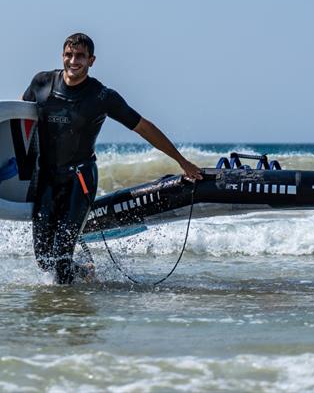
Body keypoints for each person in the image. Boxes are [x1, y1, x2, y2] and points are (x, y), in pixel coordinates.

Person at [22, 32, 202, 284]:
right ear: (62, 56)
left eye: (80, 56)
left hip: (79, 180)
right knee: (43, 260)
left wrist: (181, 161)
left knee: (62, 257)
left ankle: (66, 317)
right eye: (69, 55)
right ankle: (84, 273)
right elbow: (19, 121)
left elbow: (143, 127)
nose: (74, 61)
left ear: (91, 60)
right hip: (46, 180)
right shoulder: (41, 83)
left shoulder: (101, 96)